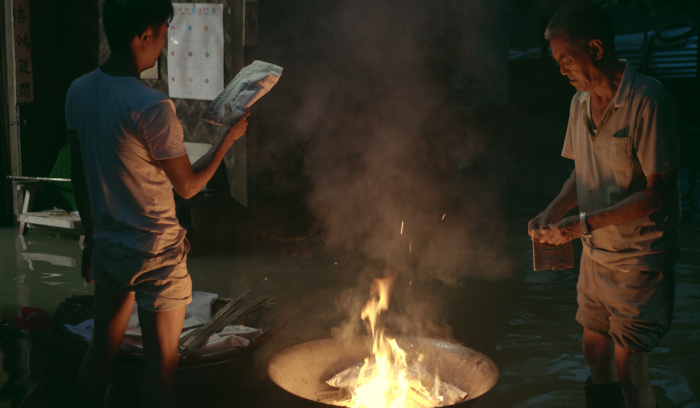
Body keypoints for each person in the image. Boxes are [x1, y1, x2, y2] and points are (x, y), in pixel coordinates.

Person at [65, 0, 249, 406]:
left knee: (99, 352)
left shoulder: (78, 91)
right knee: (160, 369)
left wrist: (92, 240)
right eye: (163, 33)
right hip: (157, 252)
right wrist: (226, 141)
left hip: (111, 244)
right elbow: (186, 187)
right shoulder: (151, 105)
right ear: (144, 35)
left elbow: (80, 176)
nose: (163, 44)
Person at [528, 3, 680, 408]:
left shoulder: (648, 101)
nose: (560, 70)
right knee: (595, 353)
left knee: (631, 370)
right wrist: (553, 212)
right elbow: (582, 172)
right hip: (595, 257)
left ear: (595, 48)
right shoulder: (579, 104)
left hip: (640, 259)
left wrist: (580, 225)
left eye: (565, 58)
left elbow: (658, 192)